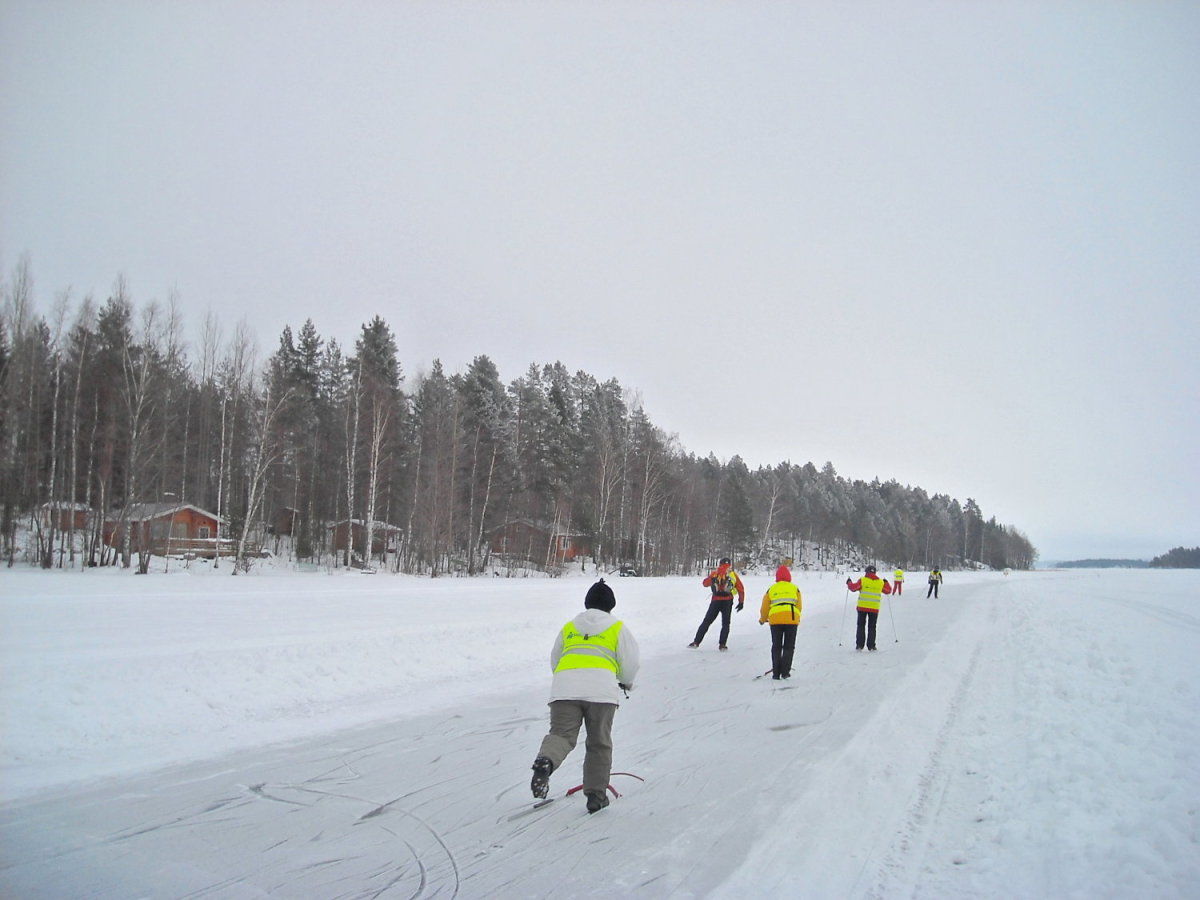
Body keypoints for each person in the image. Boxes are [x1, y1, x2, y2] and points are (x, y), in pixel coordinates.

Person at [530, 579, 640, 814]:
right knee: (598, 743)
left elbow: (556, 659)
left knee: (561, 735)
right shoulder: (617, 627)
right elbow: (630, 663)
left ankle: (546, 762)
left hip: (564, 688)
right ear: (611, 605)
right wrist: (626, 682)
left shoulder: (569, 626)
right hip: (601, 692)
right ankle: (596, 797)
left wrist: (565, 681)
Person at [689, 557, 746, 650]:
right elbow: (741, 589)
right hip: (728, 601)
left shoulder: (715, 573)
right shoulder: (732, 574)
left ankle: (696, 642)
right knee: (726, 624)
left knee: (707, 621)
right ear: (730, 564)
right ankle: (722, 645)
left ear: (720, 564)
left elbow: (705, 583)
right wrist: (741, 602)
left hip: (716, 601)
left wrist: (712, 580)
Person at [759, 564, 802, 679]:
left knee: (776, 646)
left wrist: (763, 619)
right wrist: (797, 617)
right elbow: (799, 606)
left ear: (777, 577)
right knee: (789, 646)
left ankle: (776, 672)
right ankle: (785, 671)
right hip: (791, 620)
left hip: (775, 620)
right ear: (789, 577)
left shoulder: (771, 589)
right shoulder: (794, 588)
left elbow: (765, 607)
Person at [845, 564, 892, 651]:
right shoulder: (880, 582)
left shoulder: (863, 580)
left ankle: (859, 645)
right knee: (872, 627)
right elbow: (888, 591)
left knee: (861, 626)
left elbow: (853, 588)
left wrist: (849, 582)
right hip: (874, 608)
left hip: (862, 607)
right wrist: (886, 582)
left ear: (866, 572)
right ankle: (871, 646)